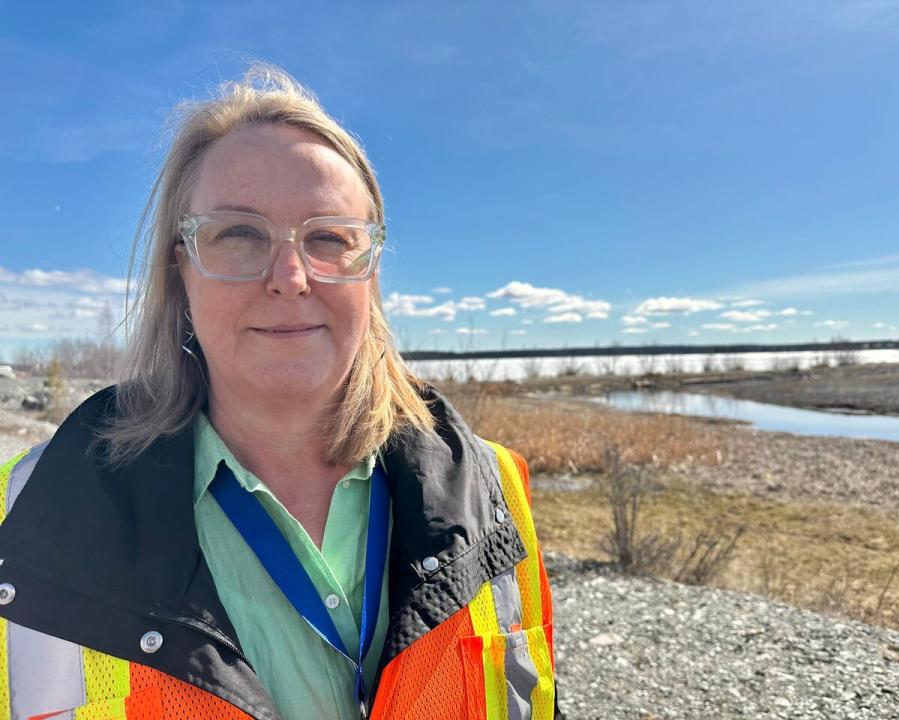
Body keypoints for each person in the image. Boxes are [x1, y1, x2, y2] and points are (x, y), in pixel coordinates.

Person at [0, 64, 561, 720]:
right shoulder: (33, 515)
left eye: (330, 237)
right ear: (179, 271)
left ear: (371, 274)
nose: (290, 276)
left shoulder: (493, 494)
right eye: (239, 235)